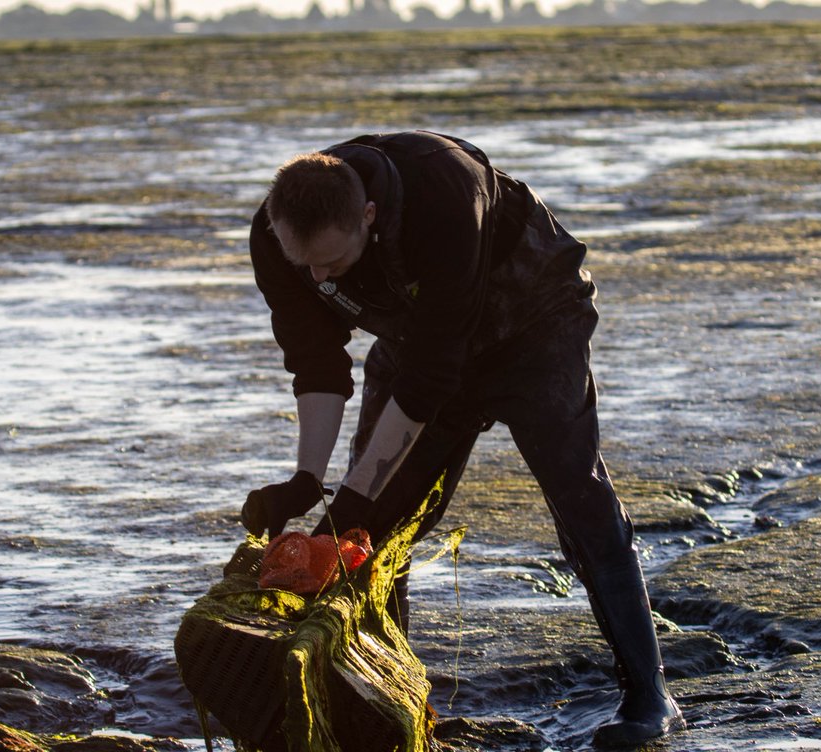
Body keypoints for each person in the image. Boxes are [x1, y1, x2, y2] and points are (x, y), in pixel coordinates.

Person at [239, 130, 685, 748]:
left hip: (534, 324)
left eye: (333, 264)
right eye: (304, 265)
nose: (317, 278)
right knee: (370, 534)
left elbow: (430, 380)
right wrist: (308, 481)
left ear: (368, 216)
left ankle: (649, 696)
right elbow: (315, 360)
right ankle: (386, 694)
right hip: (414, 341)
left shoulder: (443, 188)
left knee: (579, 500)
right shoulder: (277, 232)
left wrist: (355, 496)